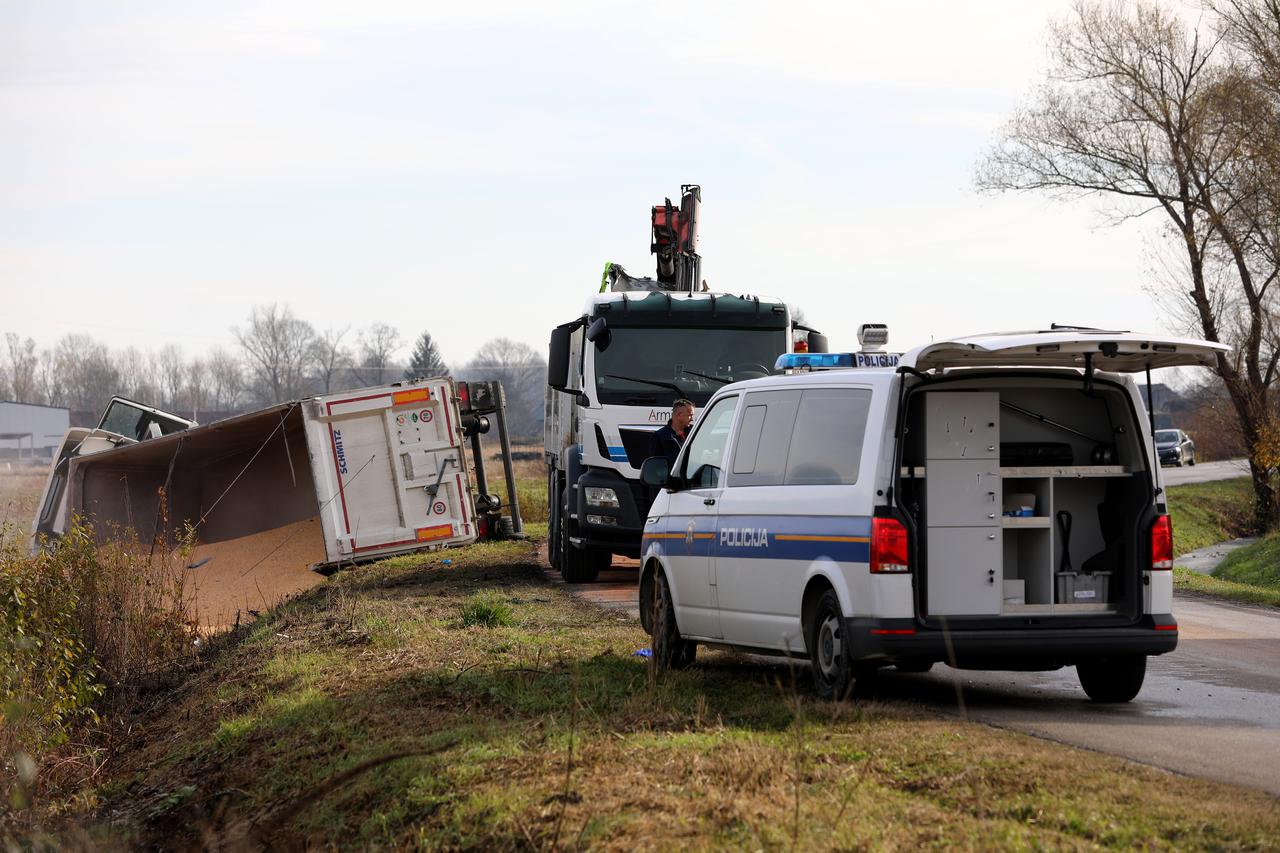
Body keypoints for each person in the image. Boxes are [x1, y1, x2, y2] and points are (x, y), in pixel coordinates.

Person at [647, 398, 694, 470]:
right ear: (679, 415)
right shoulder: (659, 436)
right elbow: (654, 466)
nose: (692, 419)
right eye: (690, 415)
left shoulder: (694, 432)